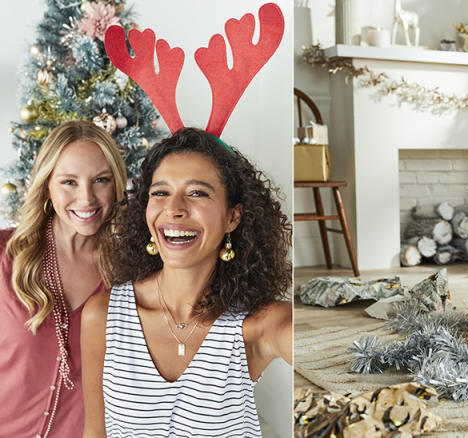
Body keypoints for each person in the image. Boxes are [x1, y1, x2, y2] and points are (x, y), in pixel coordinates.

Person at [82, 128, 292, 437]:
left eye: (197, 192)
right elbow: (95, 433)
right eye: (161, 192)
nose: (174, 209)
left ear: (232, 218)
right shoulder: (103, 315)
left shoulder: (258, 326)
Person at [0, 121, 127, 437]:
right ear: (47, 186)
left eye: (100, 180)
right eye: (69, 182)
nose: (86, 199)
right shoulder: (3, 255)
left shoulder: (131, 275)